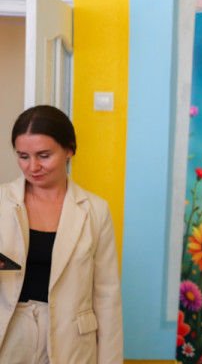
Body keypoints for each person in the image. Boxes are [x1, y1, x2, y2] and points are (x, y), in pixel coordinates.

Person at [0, 105, 123, 364]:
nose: (33, 166)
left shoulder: (95, 210)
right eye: (23, 156)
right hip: (9, 331)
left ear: (69, 150)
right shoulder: (2, 201)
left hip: (71, 340)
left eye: (44, 155)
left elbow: (107, 298)